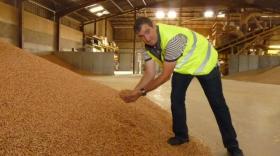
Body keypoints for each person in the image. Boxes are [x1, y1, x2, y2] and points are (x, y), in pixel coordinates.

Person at [119, 17, 244, 156]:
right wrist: (134, 91)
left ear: (154, 25)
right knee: (176, 99)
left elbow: (165, 76)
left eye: (148, 32)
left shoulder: (174, 40)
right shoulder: (147, 48)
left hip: (204, 63)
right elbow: (149, 73)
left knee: (217, 103)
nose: (147, 38)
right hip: (183, 66)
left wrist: (140, 93)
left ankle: (232, 145)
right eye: (142, 36)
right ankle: (181, 136)